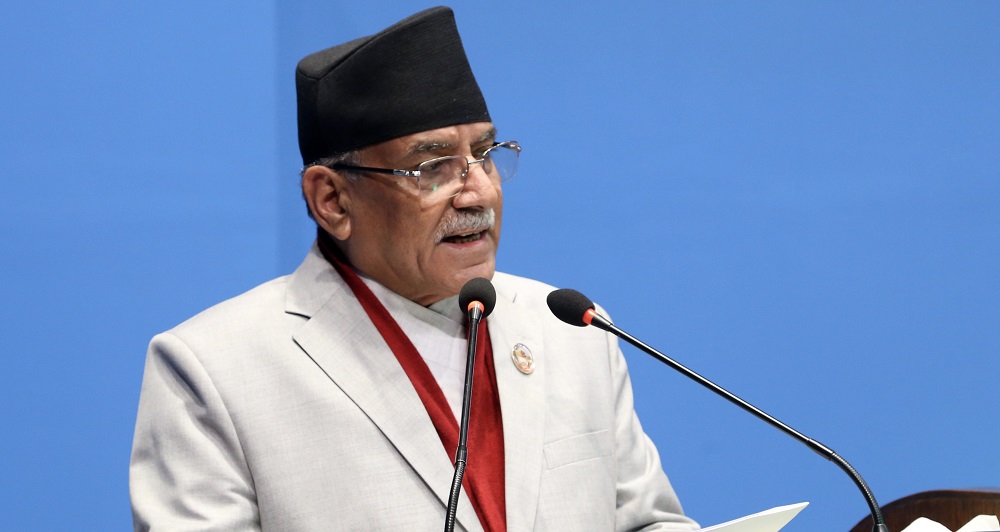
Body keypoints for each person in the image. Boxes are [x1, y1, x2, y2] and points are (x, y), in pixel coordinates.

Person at [129, 6, 698, 531]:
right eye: (433, 168)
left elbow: (650, 523)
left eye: (486, 155)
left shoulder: (571, 331)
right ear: (333, 200)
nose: (478, 192)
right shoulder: (215, 370)